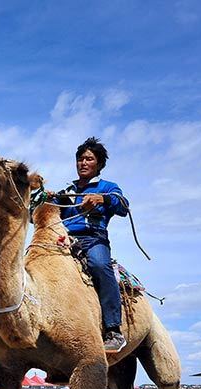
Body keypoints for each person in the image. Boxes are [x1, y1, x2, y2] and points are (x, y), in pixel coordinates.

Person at [48, 137, 129, 353]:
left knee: (99, 265)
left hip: (94, 239)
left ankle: (114, 330)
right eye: (80, 159)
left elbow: (123, 206)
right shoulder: (67, 192)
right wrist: (42, 198)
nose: (83, 163)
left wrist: (102, 199)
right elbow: (46, 212)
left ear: (99, 164)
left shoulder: (108, 187)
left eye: (89, 159)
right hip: (65, 240)